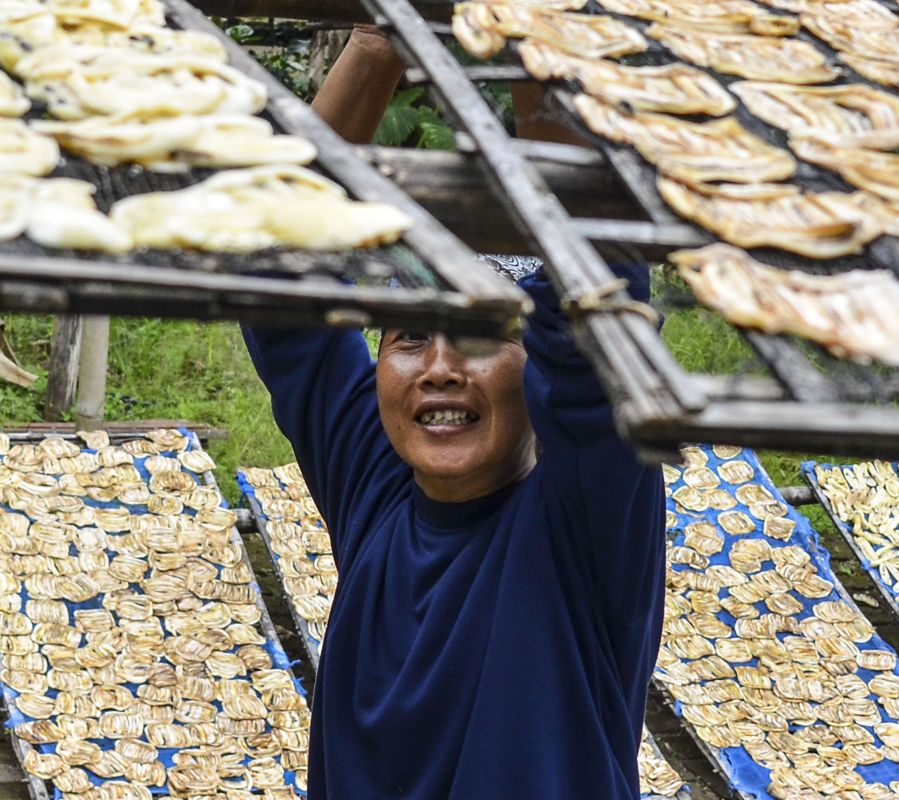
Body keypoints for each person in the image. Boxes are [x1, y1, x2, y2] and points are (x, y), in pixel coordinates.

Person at [243, 28, 666, 800]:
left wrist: (530, 31)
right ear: (377, 370)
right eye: (409, 338)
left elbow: (595, 283)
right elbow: (277, 263)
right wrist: (380, 34)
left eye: (479, 337)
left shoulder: (583, 524)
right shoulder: (374, 490)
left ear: (535, 369)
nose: (439, 369)